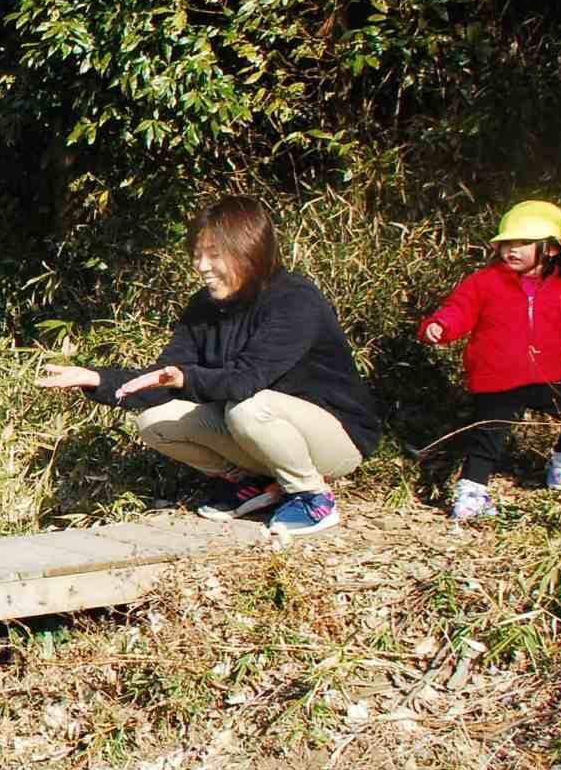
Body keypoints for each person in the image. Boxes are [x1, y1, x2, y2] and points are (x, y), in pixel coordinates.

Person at [36, 196, 380, 537]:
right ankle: (252, 484)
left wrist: (185, 378)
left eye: (214, 255)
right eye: (198, 255)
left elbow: (245, 380)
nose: (201, 266)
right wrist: (97, 378)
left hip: (337, 437)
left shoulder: (295, 300)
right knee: (155, 423)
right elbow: (166, 376)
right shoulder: (204, 305)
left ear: (250, 251)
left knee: (247, 407)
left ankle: (311, 496)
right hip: (259, 423)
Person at [419, 200, 561, 522]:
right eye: (507, 244)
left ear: (552, 250)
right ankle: (471, 496)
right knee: (489, 436)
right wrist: (440, 326)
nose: (512, 250)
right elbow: (459, 310)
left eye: (523, 243)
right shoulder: (484, 283)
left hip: (548, 374)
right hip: (497, 376)